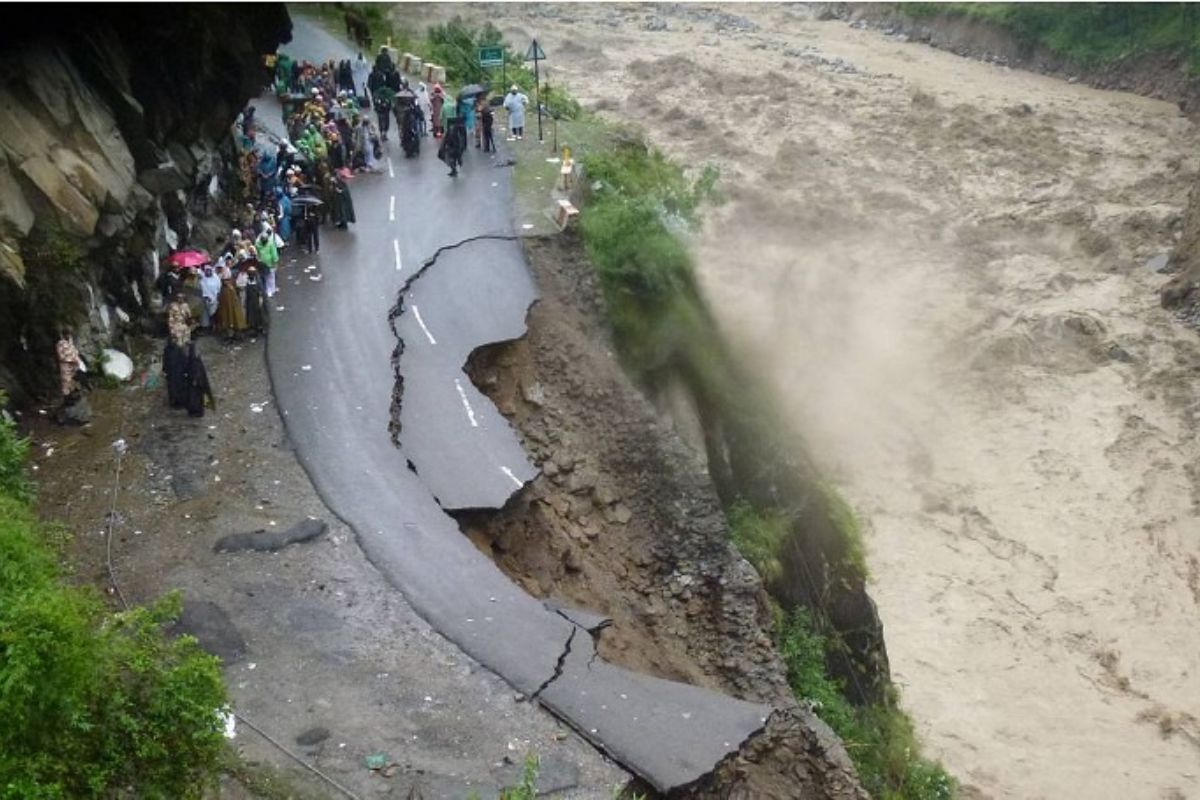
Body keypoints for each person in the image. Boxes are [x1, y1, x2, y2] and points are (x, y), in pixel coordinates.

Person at [185, 343, 215, 418]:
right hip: (197, 381)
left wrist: (194, 379)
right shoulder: (196, 359)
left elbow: (196, 370)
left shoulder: (193, 359)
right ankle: (197, 411)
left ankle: (195, 411)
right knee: (197, 397)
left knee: (195, 398)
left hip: (195, 382)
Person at [55, 328, 81, 399]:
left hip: (73, 365)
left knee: (72, 381)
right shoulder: (60, 344)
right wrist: (70, 359)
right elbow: (61, 356)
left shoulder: (70, 343)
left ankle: (72, 396)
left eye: (69, 334)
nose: (68, 336)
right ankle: (66, 398)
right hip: (65, 365)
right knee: (65, 381)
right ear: (64, 335)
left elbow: (75, 352)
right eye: (67, 334)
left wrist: (76, 360)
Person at [255, 227, 280, 297]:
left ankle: (270, 290)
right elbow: (257, 253)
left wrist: (275, 262)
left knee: (269, 277)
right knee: (267, 277)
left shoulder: (270, 243)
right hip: (263, 264)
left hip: (269, 263)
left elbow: (274, 253)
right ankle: (269, 290)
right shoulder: (258, 244)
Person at [243, 266, 267, 334]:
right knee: (251, 315)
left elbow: (261, 292)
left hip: (257, 300)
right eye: (249, 273)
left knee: (260, 314)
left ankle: (261, 327)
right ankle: (252, 327)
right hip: (250, 301)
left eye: (252, 273)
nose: (251, 275)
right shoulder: (247, 281)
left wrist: (261, 299)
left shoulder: (258, 281)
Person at [199, 265, 221, 331]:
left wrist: (216, 297)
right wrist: (206, 296)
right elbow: (202, 288)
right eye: (207, 270)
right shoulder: (203, 279)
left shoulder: (216, 278)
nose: (208, 272)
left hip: (215, 299)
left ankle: (214, 327)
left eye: (209, 270)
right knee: (205, 315)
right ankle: (206, 327)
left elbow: (218, 288)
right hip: (205, 299)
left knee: (214, 313)